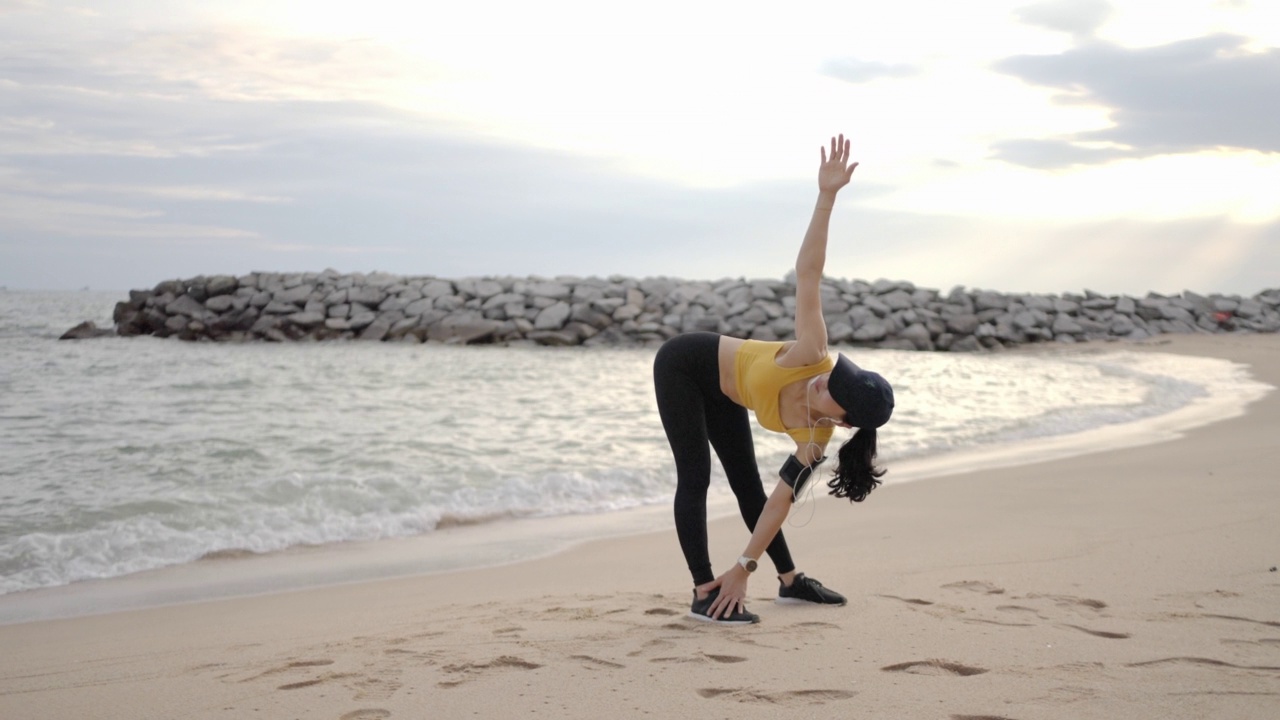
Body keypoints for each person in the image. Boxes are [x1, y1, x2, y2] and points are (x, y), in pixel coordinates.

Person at [652, 135, 895, 625]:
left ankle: (788, 582)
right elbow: (810, 272)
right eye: (836, 378)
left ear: (844, 422)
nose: (825, 383)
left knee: (749, 487)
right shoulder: (812, 352)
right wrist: (827, 198)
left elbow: (780, 504)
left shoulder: (815, 438)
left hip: (726, 393)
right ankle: (704, 592)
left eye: (835, 393)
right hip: (685, 363)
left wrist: (745, 567)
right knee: (695, 475)